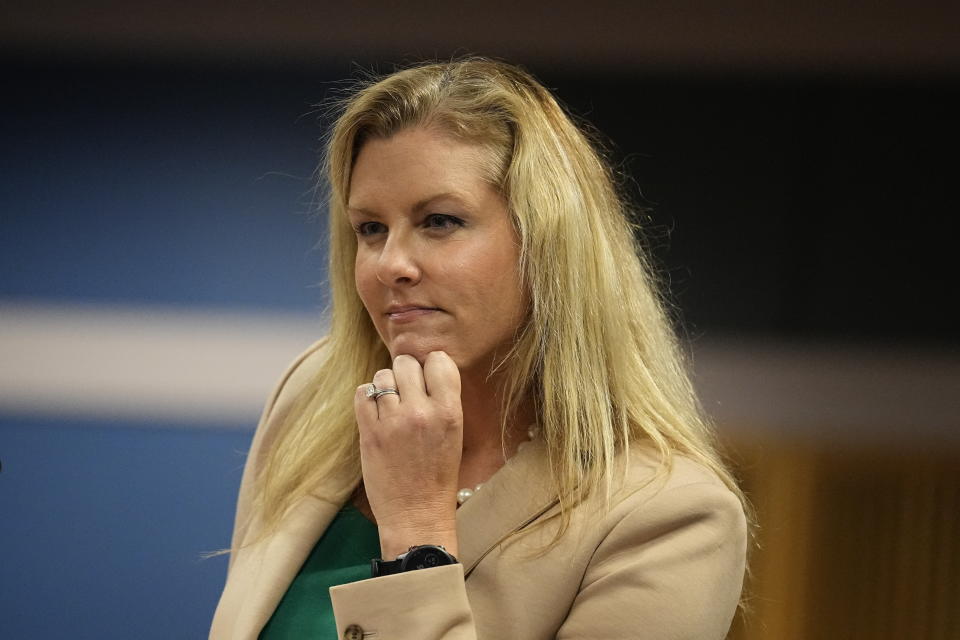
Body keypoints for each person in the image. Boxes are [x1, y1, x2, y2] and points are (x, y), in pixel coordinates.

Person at [209, 58, 749, 640]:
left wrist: (418, 531)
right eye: (370, 228)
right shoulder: (316, 393)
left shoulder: (670, 516)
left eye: (439, 221)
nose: (391, 263)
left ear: (546, 243)